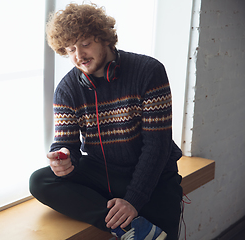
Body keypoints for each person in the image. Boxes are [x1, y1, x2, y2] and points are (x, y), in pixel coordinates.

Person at [30, 3, 183, 240]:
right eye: (70, 50)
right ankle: (129, 228)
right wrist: (61, 157)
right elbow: (66, 143)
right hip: (104, 173)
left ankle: (131, 222)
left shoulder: (149, 71)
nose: (79, 56)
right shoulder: (67, 89)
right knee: (40, 180)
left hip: (154, 178)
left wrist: (133, 199)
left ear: (104, 38)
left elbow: (157, 146)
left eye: (85, 44)